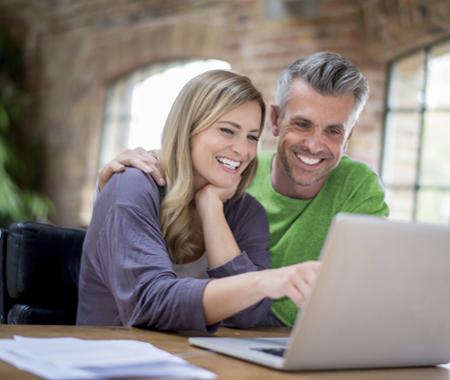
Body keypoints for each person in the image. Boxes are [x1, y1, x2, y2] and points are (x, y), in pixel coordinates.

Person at [94, 52, 389, 327]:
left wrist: (211, 204)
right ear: (275, 121)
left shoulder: (241, 200)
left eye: (333, 131)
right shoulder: (155, 181)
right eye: (302, 124)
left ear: (348, 135)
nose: (314, 145)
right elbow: (146, 297)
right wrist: (112, 194)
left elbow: (250, 311)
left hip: (250, 338)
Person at [77, 70, 319, 334]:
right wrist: (263, 282)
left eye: (251, 136)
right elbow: (148, 303)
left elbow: (248, 313)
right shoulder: (133, 184)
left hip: (192, 362)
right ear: (187, 129)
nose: (243, 150)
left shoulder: (247, 211)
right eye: (227, 130)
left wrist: (211, 207)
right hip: (113, 359)